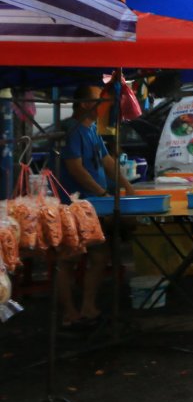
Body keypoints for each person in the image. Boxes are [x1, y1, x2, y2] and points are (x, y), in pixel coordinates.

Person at [56, 84, 134, 329]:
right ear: (84, 104)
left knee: (100, 256)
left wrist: (128, 187)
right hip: (74, 206)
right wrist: (102, 192)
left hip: (95, 206)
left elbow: (108, 162)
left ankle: (88, 307)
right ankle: (70, 313)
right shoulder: (73, 131)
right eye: (97, 101)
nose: (102, 106)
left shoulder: (91, 131)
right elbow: (75, 168)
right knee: (69, 258)